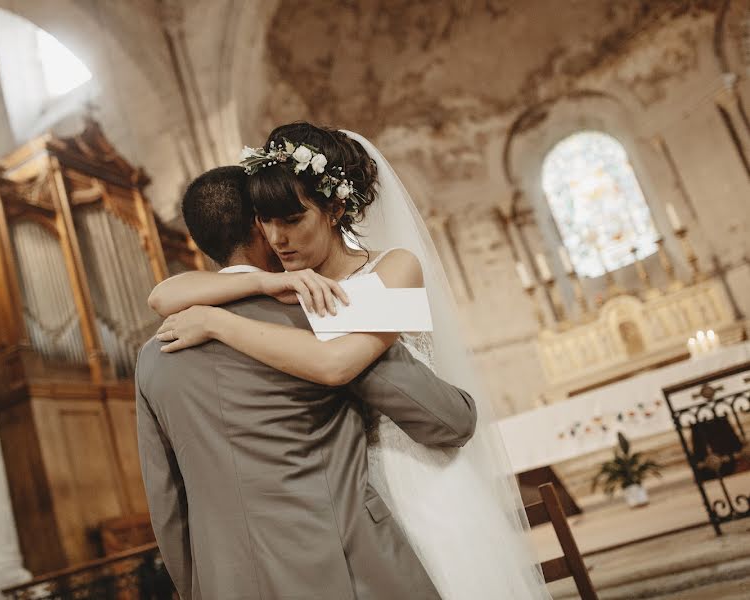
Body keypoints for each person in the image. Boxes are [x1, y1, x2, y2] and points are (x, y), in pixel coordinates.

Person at [150, 123, 550, 599]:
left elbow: (338, 365)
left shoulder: (394, 267)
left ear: (335, 208)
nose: (277, 239)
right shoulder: (289, 286)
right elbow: (163, 293)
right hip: (343, 490)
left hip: (415, 473)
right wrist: (262, 284)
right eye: (266, 221)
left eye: (292, 220)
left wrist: (219, 324)